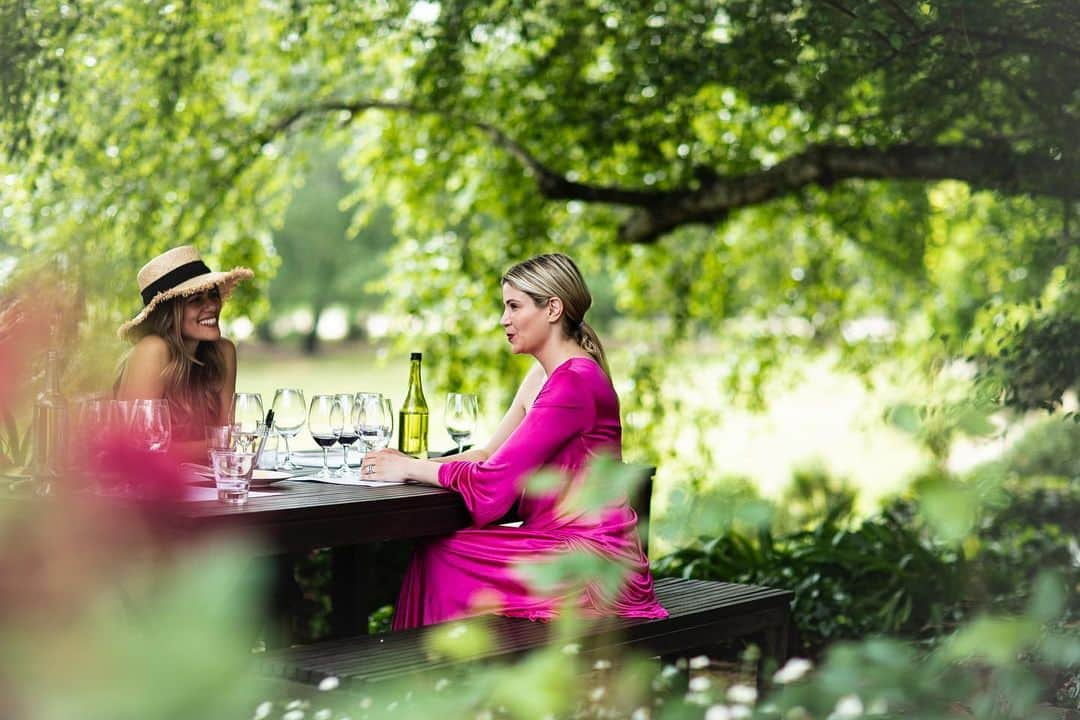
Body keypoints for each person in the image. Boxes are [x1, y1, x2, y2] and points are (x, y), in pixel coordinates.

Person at [361, 253, 667, 629]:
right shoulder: (543, 376)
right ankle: (440, 675)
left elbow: (493, 483)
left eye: (514, 306)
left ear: (553, 308)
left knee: (441, 554)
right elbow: (491, 453)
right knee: (442, 551)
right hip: (561, 548)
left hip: (591, 565)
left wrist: (410, 468)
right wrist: (407, 463)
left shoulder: (574, 381)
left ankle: (430, 678)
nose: (503, 320)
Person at [114, 245, 253, 461]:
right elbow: (138, 451)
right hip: (149, 490)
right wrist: (214, 445)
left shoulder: (223, 352)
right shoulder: (152, 350)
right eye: (195, 300)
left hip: (205, 486)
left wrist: (219, 444)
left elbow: (226, 442)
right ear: (171, 312)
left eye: (213, 295)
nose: (211, 306)